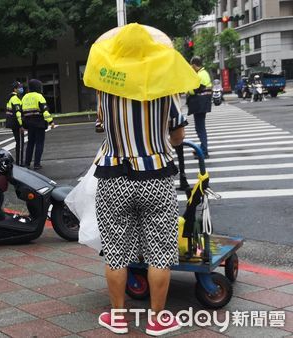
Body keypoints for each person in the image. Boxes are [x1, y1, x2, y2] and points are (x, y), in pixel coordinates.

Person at [82, 23, 200, 336]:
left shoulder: (105, 90)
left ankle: (118, 317)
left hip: (113, 175)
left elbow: (102, 127)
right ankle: (158, 319)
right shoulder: (165, 88)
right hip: (157, 175)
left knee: (116, 250)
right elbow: (177, 137)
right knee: (160, 250)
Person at [21, 79, 54, 170]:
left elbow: (21, 112)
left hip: (29, 124)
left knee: (30, 143)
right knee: (39, 143)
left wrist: (22, 125)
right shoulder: (39, 96)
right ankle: (37, 164)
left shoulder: (24, 97)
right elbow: (45, 111)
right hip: (39, 123)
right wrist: (51, 122)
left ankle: (27, 163)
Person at [187, 56, 212, 159]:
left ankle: (204, 151)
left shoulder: (200, 75)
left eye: (191, 66)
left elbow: (194, 90)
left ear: (193, 65)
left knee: (200, 128)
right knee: (201, 127)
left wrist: (188, 87)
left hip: (200, 105)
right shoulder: (204, 73)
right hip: (203, 104)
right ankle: (202, 148)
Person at [5, 81, 24, 165]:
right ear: (15, 89)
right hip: (16, 123)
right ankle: (19, 162)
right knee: (19, 143)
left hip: (11, 122)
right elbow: (18, 113)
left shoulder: (10, 98)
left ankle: (18, 161)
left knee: (17, 142)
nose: (21, 89)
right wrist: (21, 125)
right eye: (19, 87)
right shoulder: (15, 99)